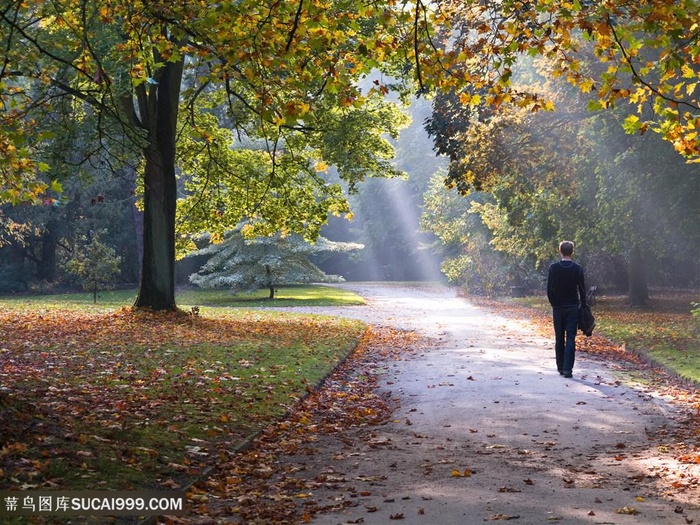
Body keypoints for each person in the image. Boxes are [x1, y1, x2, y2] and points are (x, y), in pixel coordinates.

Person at [547, 241, 586, 378]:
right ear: (572, 251)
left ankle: (560, 366)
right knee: (571, 338)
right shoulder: (578, 268)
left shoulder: (553, 268)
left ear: (560, 251)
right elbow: (582, 289)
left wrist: (553, 302)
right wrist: (584, 305)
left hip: (558, 307)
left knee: (559, 338)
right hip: (572, 307)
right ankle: (568, 369)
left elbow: (549, 289)